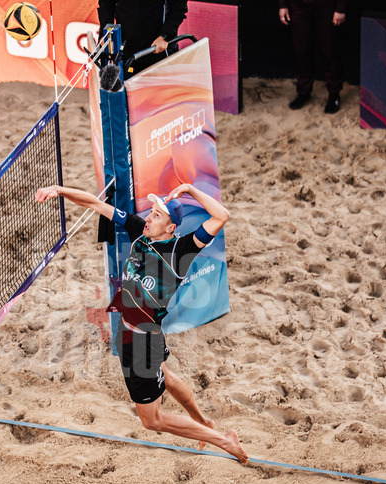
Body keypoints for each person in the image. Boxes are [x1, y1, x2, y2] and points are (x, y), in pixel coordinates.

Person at [34, 182, 249, 466]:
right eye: (151, 213)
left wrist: (189, 189)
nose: (148, 218)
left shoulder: (181, 251)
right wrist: (60, 190)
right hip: (131, 332)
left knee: (152, 420)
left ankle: (223, 439)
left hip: (142, 344)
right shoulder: (141, 233)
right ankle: (203, 421)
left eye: (157, 215)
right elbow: (96, 204)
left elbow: (221, 215)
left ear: (171, 227)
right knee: (167, 377)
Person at [278, 0, 349, 114]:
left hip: (325, 1)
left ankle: (334, 94)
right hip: (297, 2)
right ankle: (304, 91)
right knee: (301, 50)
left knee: (330, 50)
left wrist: (340, 7)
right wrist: (282, 4)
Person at [98, 0, 189, 76]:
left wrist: (164, 36)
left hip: (158, 53)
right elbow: (106, 1)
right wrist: (106, 33)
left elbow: (179, 6)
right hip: (124, 54)